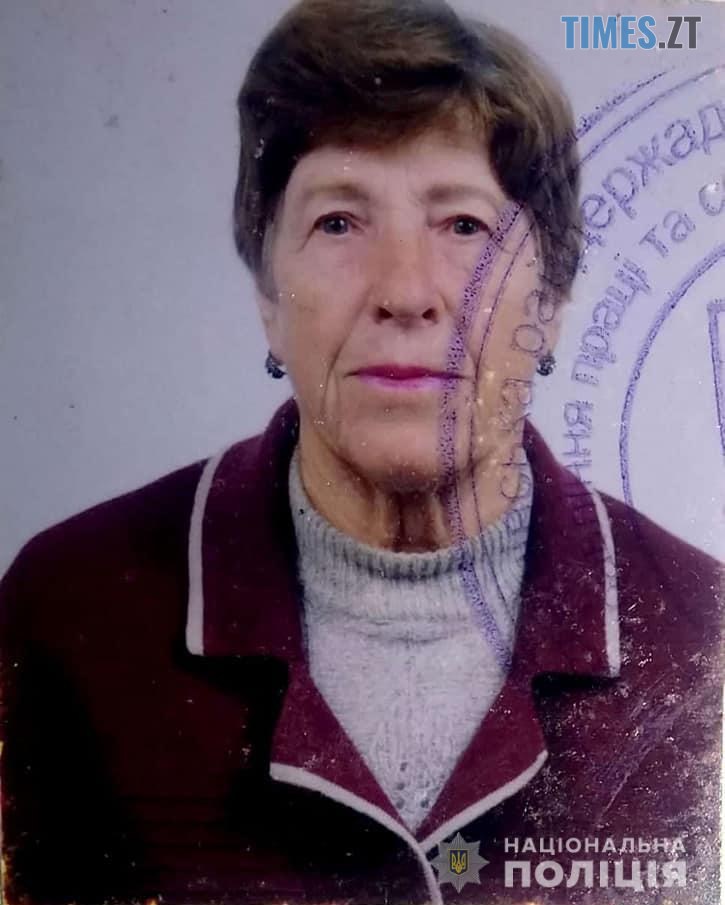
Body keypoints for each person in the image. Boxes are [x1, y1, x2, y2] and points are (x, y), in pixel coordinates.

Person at [0, 1, 721, 903]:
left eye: (464, 226)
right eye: (339, 222)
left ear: (549, 301)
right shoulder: (69, 614)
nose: (405, 292)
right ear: (267, 294)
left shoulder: (704, 640)